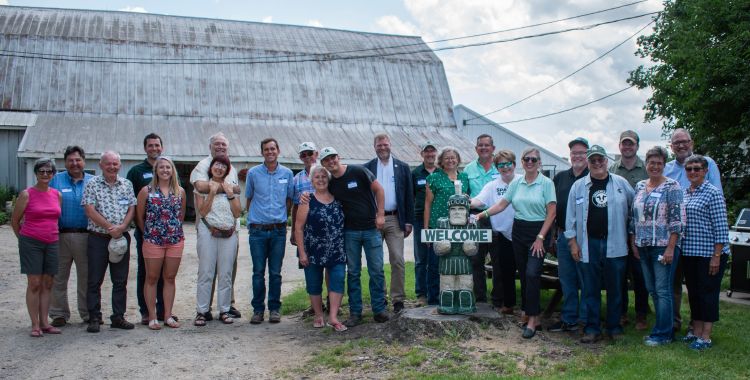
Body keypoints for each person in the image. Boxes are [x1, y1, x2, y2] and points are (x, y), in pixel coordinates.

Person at [476, 147, 556, 339]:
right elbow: (502, 204)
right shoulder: (517, 183)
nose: (530, 162)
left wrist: (541, 237)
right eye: (526, 159)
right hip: (518, 231)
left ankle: (532, 319)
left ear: (539, 162)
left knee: (532, 273)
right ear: (522, 161)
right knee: (525, 274)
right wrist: (482, 214)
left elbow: (552, 212)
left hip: (538, 232)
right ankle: (531, 314)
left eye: (533, 160)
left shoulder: (546, 183)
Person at [565, 145, 635, 343]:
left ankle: (614, 327)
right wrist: (572, 243)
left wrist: (632, 235)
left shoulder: (621, 183)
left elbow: (634, 209)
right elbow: (570, 217)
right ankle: (592, 328)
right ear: (588, 163)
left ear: (607, 161)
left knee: (615, 287)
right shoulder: (578, 186)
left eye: (600, 160)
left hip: (616, 243)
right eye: (593, 160)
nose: (597, 163)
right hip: (589, 244)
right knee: (590, 288)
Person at [318, 147, 389, 327]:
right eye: (327, 160)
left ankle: (379, 309)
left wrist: (380, 215)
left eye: (333, 157)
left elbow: (379, 190)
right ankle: (355, 312)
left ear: (338, 157)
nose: (331, 161)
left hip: (371, 229)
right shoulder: (332, 183)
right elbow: (321, 195)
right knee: (354, 273)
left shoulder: (358, 171)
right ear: (323, 164)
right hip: (349, 232)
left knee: (376, 270)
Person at [664, 128, 723, 335]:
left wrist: (717, 254)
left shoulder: (708, 167)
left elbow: (718, 215)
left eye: (684, 141)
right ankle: (675, 322)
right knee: (677, 285)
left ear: (692, 142)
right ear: (671, 147)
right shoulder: (669, 170)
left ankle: (699, 329)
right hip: (679, 242)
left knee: (702, 289)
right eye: (676, 142)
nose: (681, 145)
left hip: (704, 245)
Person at [632, 146, 685, 346]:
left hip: (663, 246)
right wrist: (634, 242)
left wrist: (671, 248)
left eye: (659, 163)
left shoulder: (672, 186)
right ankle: (661, 330)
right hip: (643, 245)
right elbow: (633, 218)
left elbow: (677, 221)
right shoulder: (639, 186)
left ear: (664, 165)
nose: (655, 166)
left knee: (663, 290)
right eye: (652, 163)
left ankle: (664, 334)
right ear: (646, 164)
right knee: (652, 289)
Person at [82, 151, 137, 333]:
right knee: (94, 280)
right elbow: (89, 209)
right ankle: (94, 318)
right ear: (101, 165)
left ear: (119, 166)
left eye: (115, 164)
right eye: (108, 163)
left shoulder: (126, 185)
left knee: (120, 280)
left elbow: (132, 207)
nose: (112, 167)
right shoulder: (92, 184)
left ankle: (118, 317)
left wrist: (122, 227)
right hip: (98, 238)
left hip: (121, 237)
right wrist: (109, 227)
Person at [190, 132, 242, 320]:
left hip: (229, 230)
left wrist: (231, 191)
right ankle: (202, 311)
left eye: (224, 145)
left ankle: (225, 309)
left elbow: (237, 209)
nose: (220, 147)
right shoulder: (202, 166)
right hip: (207, 228)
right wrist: (216, 190)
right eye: (217, 144)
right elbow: (201, 191)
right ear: (210, 147)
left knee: (226, 272)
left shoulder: (233, 171)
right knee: (206, 271)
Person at [680, 154, 729, 351]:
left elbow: (721, 227)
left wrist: (716, 257)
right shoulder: (685, 192)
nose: (693, 172)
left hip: (710, 254)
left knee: (708, 294)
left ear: (705, 171)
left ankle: (706, 336)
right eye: (689, 169)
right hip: (690, 252)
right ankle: (696, 331)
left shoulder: (713, 193)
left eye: (697, 169)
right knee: (694, 293)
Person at [11, 158, 62, 337]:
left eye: (49, 171)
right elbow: (15, 221)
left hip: (52, 242)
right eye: (42, 171)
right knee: (34, 283)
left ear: (54, 174)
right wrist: (24, 240)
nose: (45, 174)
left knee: (48, 283)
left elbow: (56, 218)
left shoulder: (57, 194)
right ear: (36, 173)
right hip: (31, 242)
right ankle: (34, 324)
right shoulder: (27, 194)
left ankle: (45, 322)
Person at [246, 138, 294, 324]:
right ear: (262, 152)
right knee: (258, 272)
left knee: (275, 272)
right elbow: (249, 198)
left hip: (278, 231)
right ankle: (258, 310)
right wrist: (253, 220)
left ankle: (274, 308)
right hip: (258, 231)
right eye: (266, 149)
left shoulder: (287, 173)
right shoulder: (253, 173)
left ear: (278, 150)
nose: (270, 152)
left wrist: (281, 217)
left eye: (273, 149)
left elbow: (289, 200)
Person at [293, 165, 348, 332]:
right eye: (317, 177)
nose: (321, 179)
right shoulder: (307, 199)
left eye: (324, 176)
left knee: (338, 280)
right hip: (313, 250)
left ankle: (332, 317)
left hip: (336, 249)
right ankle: (318, 314)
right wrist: (302, 252)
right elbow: (298, 228)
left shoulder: (338, 199)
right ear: (312, 181)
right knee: (314, 283)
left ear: (329, 179)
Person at [364, 133, 414, 314]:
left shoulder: (402, 167)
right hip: (373, 219)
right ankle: (380, 299)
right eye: (379, 145)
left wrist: (408, 221)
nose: (382, 148)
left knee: (398, 260)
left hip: (394, 218)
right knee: (375, 264)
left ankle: (398, 300)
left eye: (385, 144)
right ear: (374, 147)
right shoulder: (367, 168)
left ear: (390, 145)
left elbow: (409, 195)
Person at [135, 156, 186, 330]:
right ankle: (152, 317)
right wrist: (150, 233)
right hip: (153, 240)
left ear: (173, 170)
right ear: (155, 170)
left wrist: (172, 230)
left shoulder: (180, 191)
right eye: (161, 167)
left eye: (168, 167)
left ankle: (168, 316)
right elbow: (139, 216)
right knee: (151, 278)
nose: (165, 170)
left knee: (169, 278)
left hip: (174, 240)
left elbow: (181, 215)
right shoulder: (146, 191)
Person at [469, 149, 520, 314]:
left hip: (522, 232)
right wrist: (464, 201)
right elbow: (479, 200)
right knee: (504, 270)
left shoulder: (522, 181)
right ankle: (506, 304)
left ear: (514, 164)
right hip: (502, 234)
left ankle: (528, 308)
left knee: (526, 271)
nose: (505, 168)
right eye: (501, 165)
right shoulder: (492, 185)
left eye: (508, 164)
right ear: (497, 167)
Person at [49, 146, 93, 327]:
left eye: (78, 160)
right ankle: (58, 313)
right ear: (65, 162)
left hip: (86, 236)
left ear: (84, 161)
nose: (75, 163)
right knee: (58, 277)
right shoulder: (55, 181)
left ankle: (87, 313)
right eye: (70, 160)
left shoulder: (93, 182)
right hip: (60, 236)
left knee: (86, 277)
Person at [609, 130, 650, 331]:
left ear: (637, 146)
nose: (627, 147)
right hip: (618, 229)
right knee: (619, 274)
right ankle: (622, 312)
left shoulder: (646, 169)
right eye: (624, 144)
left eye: (631, 144)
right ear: (619, 146)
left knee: (640, 274)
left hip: (641, 229)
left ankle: (642, 314)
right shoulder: (612, 169)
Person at [126, 133, 168, 325]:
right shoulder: (136, 171)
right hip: (146, 232)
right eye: (150, 145)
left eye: (157, 145)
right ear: (145, 148)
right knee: (146, 272)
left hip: (167, 234)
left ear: (162, 147)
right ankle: (146, 311)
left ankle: (162, 310)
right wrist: (144, 231)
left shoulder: (168, 168)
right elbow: (132, 205)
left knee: (164, 273)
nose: (154, 148)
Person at [550, 137, 589, 333]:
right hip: (564, 235)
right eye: (574, 153)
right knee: (567, 279)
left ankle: (584, 320)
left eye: (582, 152)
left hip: (587, 237)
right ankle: (569, 318)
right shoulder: (561, 178)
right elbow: (553, 208)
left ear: (588, 155)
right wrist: (553, 235)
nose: (578, 156)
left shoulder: (594, 176)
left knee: (586, 279)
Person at [424, 147, 470, 312]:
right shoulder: (434, 178)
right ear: (441, 161)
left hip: (460, 228)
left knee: (458, 263)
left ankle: (458, 299)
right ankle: (434, 299)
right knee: (436, 264)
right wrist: (427, 228)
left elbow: (467, 200)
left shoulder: (464, 177)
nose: (450, 160)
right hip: (439, 225)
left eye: (453, 158)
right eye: (447, 158)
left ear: (458, 160)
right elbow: (428, 204)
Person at [291, 142, 329, 315]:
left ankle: (331, 300)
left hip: (325, 228)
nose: (307, 157)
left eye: (310, 153)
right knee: (309, 267)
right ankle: (315, 305)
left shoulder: (325, 173)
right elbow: (294, 206)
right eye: (303, 155)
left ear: (317, 153)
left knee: (329, 266)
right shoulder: (297, 179)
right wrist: (293, 231)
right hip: (305, 229)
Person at [463, 134, 499, 303]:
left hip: (498, 216)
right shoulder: (468, 169)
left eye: (487, 145)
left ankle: (499, 299)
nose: (483, 148)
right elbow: (464, 193)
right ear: (476, 148)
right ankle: (480, 298)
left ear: (493, 148)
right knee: (476, 259)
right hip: (476, 217)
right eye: (480, 145)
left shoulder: (501, 168)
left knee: (498, 259)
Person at [411, 141, 438, 306]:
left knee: (438, 256)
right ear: (422, 154)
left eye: (432, 151)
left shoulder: (442, 172)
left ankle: (436, 289)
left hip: (439, 219)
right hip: (420, 218)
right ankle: (421, 293)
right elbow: (410, 196)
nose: (429, 154)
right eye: (426, 152)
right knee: (421, 257)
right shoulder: (415, 173)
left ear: (435, 153)